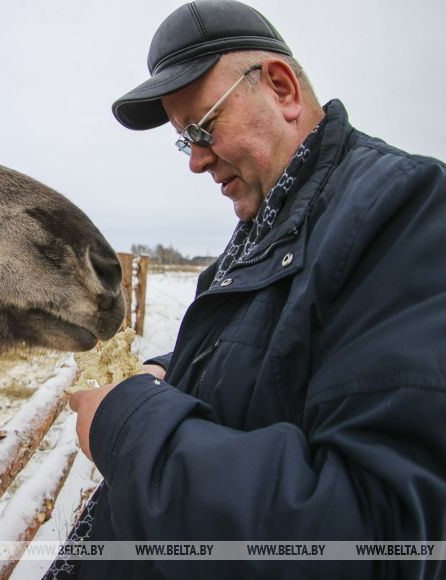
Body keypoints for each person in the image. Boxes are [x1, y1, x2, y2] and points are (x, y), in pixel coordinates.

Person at [48, 1, 446, 578]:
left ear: (282, 89)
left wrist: (131, 425)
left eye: (203, 128)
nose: (197, 161)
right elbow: (253, 366)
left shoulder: (403, 211)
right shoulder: (259, 231)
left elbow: (378, 538)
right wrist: (167, 373)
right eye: (186, 142)